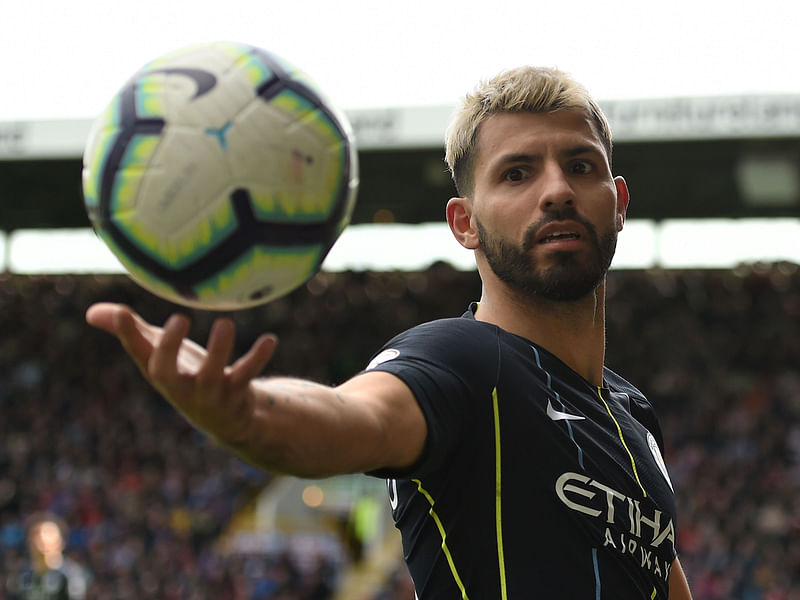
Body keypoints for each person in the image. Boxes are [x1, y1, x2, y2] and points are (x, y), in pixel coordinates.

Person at [86, 66, 693, 599]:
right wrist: (252, 414)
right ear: (465, 224)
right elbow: (356, 417)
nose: (557, 190)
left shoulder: (634, 415)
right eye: (516, 174)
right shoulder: (462, 360)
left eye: (580, 165)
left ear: (617, 202)